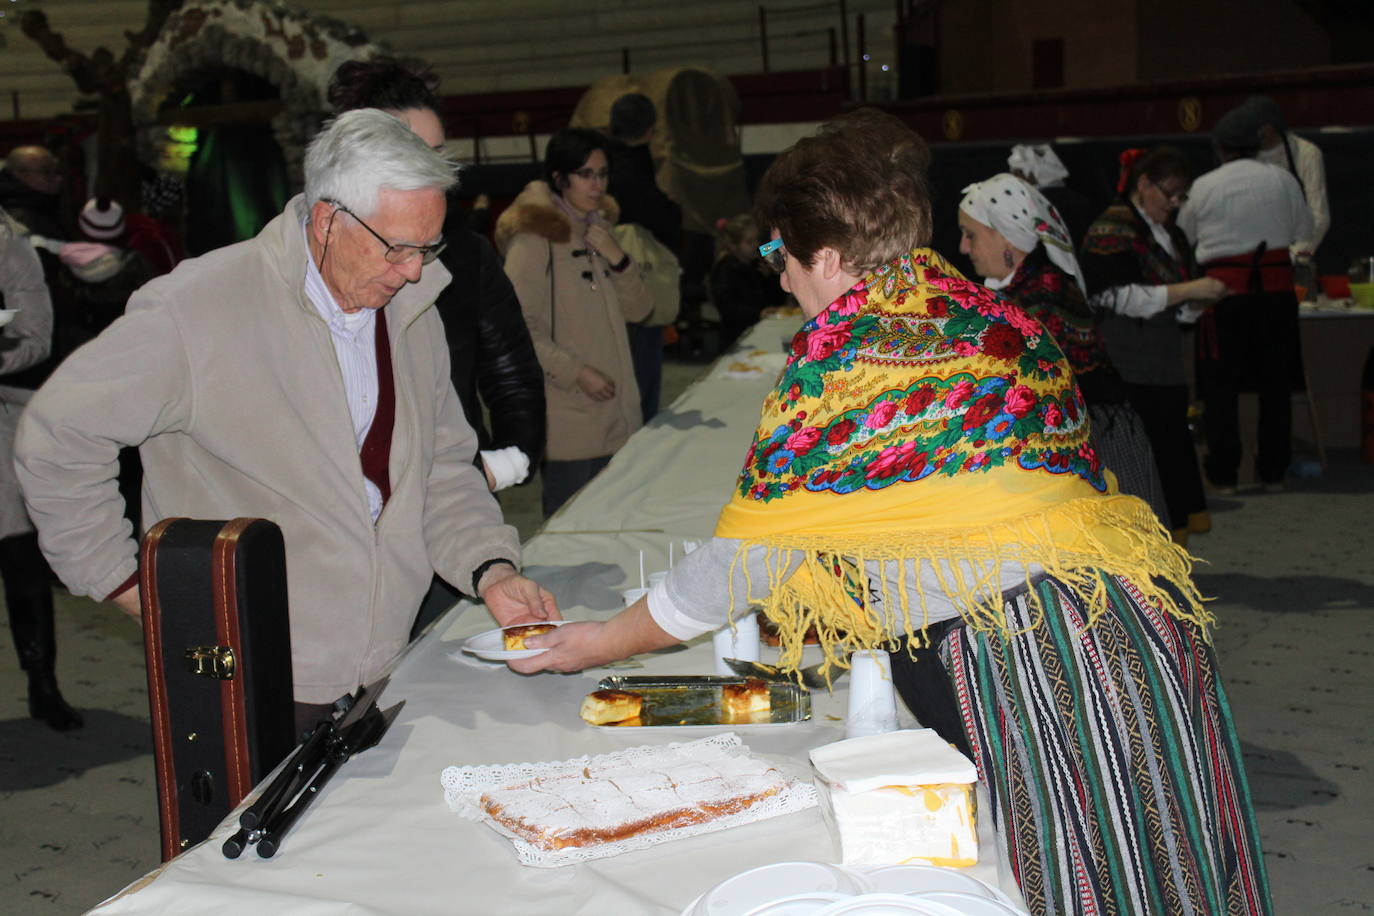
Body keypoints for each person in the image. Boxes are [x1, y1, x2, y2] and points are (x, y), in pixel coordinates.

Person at [510, 110, 1271, 916]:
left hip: (1038, 665)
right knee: (1158, 874)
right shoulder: (988, 318)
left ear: (829, 258)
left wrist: (596, 643)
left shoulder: (840, 365)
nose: (780, 278)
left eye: (783, 256)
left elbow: (743, 566)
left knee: (1095, 884)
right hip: (1123, 631)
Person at [14, 110, 558, 729]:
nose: (414, 270)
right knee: (243, 827)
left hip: (379, 658)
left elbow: (439, 472)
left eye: (427, 246)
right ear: (328, 220)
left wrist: (491, 568)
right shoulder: (198, 307)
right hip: (237, 664)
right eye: (399, 247)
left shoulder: (410, 309)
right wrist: (124, 584)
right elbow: (57, 436)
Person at [326, 57, 547, 639]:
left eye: (438, 152)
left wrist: (509, 459)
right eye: (410, 151)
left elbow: (510, 368)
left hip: (448, 508)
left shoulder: (463, 256)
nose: (432, 170)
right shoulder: (298, 276)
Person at [958, 172, 1168, 526]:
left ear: (1006, 238)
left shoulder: (1043, 296)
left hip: (1097, 448)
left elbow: (1035, 392)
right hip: (1076, 443)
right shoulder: (1023, 291)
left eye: (971, 235)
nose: (964, 248)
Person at [495, 127, 652, 518]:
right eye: (586, 174)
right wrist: (577, 372)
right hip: (572, 415)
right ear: (559, 177)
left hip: (618, 411)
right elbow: (516, 329)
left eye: (602, 174)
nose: (597, 184)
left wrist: (618, 258)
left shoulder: (598, 228)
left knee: (619, 524)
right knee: (575, 534)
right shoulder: (535, 239)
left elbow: (642, 309)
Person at [1080, 147, 1228, 542]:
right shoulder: (1111, 228)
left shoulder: (1172, 234)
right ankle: (1141, 542)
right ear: (1143, 184)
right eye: (1170, 193)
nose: (1175, 204)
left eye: (1182, 196)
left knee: (1172, 452)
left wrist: (1193, 304)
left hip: (1165, 360)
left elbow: (1172, 306)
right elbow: (1115, 296)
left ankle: (1174, 542)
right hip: (1127, 361)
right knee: (1142, 456)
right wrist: (1187, 290)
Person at [1178, 105, 1313, 494]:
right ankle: (1273, 472)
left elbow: (1184, 233)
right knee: (1276, 388)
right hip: (1275, 295)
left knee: (1220, 390)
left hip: (1224, 297)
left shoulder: (1205, 185)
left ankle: (1224, 476)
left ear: (1219, 148)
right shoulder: (1283, 180)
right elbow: (1302, 229)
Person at [0, 206, 79, 730]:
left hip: (4, 407)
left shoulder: (9, 242)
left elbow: (35, 333)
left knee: (17, 549)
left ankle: (42, 682)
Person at [606, 92, 683, 423]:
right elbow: (659, 216)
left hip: (609, 279)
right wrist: (672, 209)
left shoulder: (605, 163)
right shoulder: (634, 166)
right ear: (651, 130)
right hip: (635, 276)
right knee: (641, 373)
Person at [1246, 95, 1329, 268]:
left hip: (1296, 253)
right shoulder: (1243, 156)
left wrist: (1294, 254)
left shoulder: (1307, 154)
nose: (1256, 131)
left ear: (1274, 124)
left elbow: (1319, 215)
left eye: (1260, 125)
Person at [708, 213, 785, 349]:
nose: (756, 245)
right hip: (736, 336)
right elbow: (727, 307)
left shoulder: (758, 263)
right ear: (733, 246)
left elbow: (777, 298)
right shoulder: (724, 269)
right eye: (749, 242)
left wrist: (771, 277)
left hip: (762, 330)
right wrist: (758, 313)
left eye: (756, 240)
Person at [1007, 142, 1097, 248]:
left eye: (1019, 173)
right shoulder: (1080, 200)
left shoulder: (1034, 206)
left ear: (1034, 173)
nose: (1016, 180)